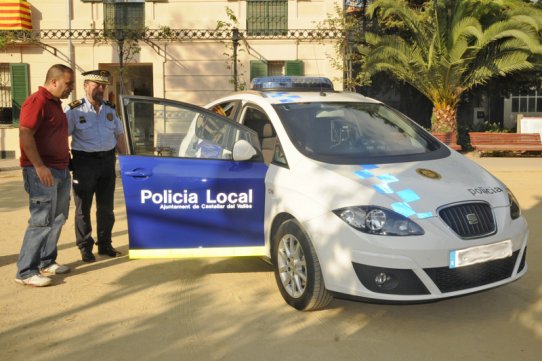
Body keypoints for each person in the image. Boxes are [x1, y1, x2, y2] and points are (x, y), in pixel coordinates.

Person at [16, 64, 75, 287]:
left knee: (58, 218)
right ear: (54, 82)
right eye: (68, 84)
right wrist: (39, 166)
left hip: (60, 169)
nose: (71, 88)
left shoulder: (55, 104)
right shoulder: (37, 101)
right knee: (41, 220)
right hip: (42, 171)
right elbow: (25, 133)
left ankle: (46, 261)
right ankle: (25, 271)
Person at [65, 70, 127, 263]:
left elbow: (119, 135)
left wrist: (126, 161)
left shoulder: (110, 109)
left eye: (103, 85)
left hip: (107, 162)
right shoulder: (74, 111)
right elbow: (61, 137)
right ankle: (85, 247)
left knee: (106, 208)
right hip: (84, 163)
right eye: (96, 84)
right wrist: (66, 162)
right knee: (83, 207)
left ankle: (105, 244)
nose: (100, 88)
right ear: (85, 85)